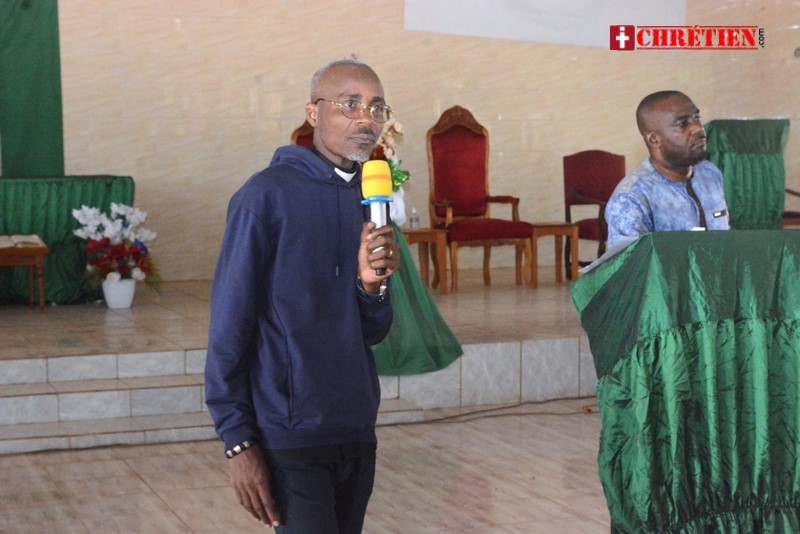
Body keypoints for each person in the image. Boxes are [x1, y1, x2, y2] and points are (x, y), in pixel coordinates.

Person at [204, 59, 400, 533]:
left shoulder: (373, 202)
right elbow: (229, 325)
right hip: (289, 430)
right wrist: (237, 440)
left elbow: (373, 331)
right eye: (350, 104)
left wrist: (371, 287)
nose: (365, 119)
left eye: (376, 108)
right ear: (313, 113)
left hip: (354, 425)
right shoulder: (264, 197)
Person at [605, 90, 730, 249]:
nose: (698, 128)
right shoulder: (630, 199)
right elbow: (628, 263)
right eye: (683, 124)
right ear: (654, 139)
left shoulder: (710, 174)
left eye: (697, 118)